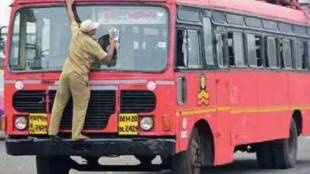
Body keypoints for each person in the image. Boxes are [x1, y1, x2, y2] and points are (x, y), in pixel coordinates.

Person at [48, 0, 116, 141]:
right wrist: (113, 44)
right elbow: (107, 59)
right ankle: (76, 134)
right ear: (91, 31)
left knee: (59, 103)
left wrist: (68, 5)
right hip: (78, 75)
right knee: (80, 104)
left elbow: (71, 18)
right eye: (94, 28)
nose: (95, 29)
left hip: (65, 72)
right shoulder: (91, 44)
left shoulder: (76, 33)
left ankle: (52, 132)